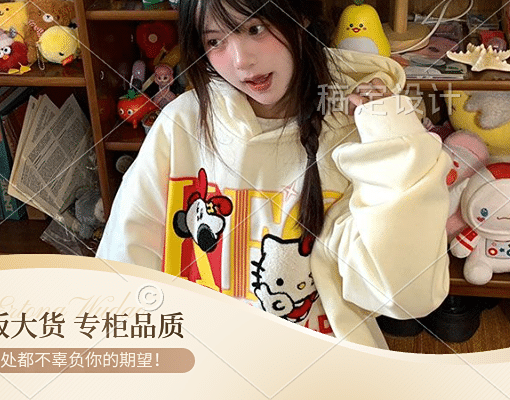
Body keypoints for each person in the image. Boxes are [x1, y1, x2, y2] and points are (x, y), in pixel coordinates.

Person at [96, 0, 450, 349]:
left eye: (255, 28)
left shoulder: (357, 128)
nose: (241, 61)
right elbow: (125, 262)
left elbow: (406, 295)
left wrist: (390, 142)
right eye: (215, 41)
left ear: (302, 16)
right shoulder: (184, 121)